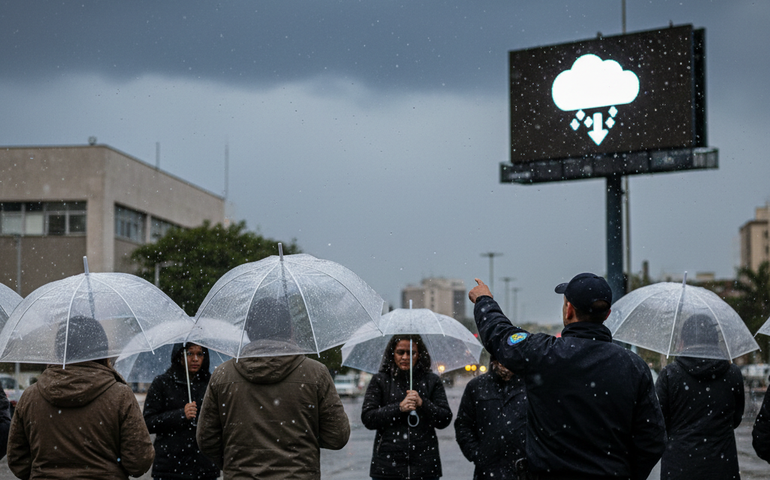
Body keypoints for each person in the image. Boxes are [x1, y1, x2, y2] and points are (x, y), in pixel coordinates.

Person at [469, 273, 665, 480]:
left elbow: (500, 336)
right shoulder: (634, 366)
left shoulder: (543, 353)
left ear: (569, 309)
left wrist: (484, 300)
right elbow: (652, 439)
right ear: (606, 315)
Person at [196, 297, 350, 479]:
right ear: (290, 330)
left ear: (248, 331)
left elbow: (206, 440)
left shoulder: (223, 375)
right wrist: (303, 441)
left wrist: (235, 461)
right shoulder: (315, 373)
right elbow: (337, 436)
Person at [7, 315, 154, 479]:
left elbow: (17, 461)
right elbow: (139, 461)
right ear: (102, 349)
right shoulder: (120, 395)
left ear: (59, 349)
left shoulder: (31, 396)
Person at [656, 314, 744, 480]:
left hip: (679, 468)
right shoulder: (733, 374)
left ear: (683, 342)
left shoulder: (670, 375)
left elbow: (659, 423)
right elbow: (736, 419)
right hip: (723, 467)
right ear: (715, 340)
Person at [361, 334, 453, 480]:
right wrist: (399, 408)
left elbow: (444, 418)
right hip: (387, 468)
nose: (405, 357)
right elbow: (368, 418)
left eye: (411, 353)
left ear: (419, 355)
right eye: (400, 352)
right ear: (393, 353)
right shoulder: (380, 380)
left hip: (425, 468)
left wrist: (423, 404)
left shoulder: (432, 380)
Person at [144, 342, 220, 480]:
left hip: (204, 468)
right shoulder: (162, 383)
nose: (195, 359)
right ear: (179, 356)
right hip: (170, 468)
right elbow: (148, 422)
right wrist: (180, 415)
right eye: (189, 353)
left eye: (200, 354)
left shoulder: (212, 384)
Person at [454, 357, 526, 480]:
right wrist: (477, 454)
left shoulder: (530, 386)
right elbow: (463, 425)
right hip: (488, 471)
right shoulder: (477, 386)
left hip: (523, 470)